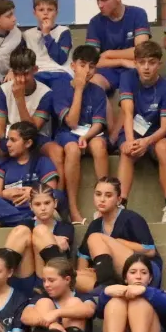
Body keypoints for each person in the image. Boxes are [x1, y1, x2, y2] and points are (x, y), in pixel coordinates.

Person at [115, 39, 166, 220]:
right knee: (127, 151)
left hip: (157, 133)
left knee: (163, 148)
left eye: (151, 63)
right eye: (142, 62)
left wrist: (147, 142)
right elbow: (127, 112)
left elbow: (165, 127)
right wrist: (130, 141)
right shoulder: (127, 78)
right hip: (133, 131)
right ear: (135, 63)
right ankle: (120, 205)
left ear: (159, 64)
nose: (146, 67)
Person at [53, 45, 111, 223]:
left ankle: (105, 205)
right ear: (73, 66)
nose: (86, 70)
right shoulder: (60, 89)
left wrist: (86, 137)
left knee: (99, 146)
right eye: (82, 65)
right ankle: (73, 209)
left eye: (91, 66)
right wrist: (78, 89)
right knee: (72, 149)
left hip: (89, 133)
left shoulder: (98, 91)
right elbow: (71, 122)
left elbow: (98, 124)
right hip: (68, 133)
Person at [0, 121, 56, 230]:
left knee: (58, 196)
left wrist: (33, 193)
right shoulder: (2, 163)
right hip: (8, 208)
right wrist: (4, 194)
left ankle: (11, 221)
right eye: (8, 139)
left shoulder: (42, 162)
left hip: (33, 208)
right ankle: (27, 222)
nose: (8, 144)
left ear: (28, 143)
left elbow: (52, 191)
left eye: (13, 140)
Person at [79, 175, 156, 291]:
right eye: (98, 194)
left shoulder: (132, 218)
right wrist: (83, 271)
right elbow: (83, 256)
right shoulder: (95, 225)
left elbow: (150, 250)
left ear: (119, 200)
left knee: (95, 237)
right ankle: (107, 290)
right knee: (73, 278)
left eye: (108, 195)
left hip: (141, 271)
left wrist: (115, 242)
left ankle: (106, 284)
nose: (102, 199)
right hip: (115, 274)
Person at [0, 49, 58, 165]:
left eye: (25, 74)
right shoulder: (4, 90)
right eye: (16, 74)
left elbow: (31, 131)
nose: (21, 79)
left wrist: (20, 99)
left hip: (37, 138)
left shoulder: (46, 94)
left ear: (35, 69)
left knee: (56, 151)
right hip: (11, 137)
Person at [84, 0, 151, 82]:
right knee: (93, 82)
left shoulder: (138, 14)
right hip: (108, 69)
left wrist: (108, 54)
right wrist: (121, 61)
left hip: (134, 68)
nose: (100, 5)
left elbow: (141, 52)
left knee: (132, 79)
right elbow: (92, 61)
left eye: (104, 0)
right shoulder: (94, 22)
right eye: (97, 0)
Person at [21, 255, 97, 332]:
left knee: (74, 302)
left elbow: (89, 310)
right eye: (44, 280)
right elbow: (25, 316)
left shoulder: (83, 297)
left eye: (51, 280)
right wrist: (50, 324)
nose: (46, 285)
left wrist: (57, 313)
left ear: (67, 279)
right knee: (44, 302)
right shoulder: (41, 297)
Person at [26, 0, 74, 94]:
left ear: (56, 13)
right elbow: (23, 60)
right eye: (41, 10)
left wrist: (46, 34)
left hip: (60, 72)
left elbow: (60, 59)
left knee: (60, 96)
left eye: (50, 9)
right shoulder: (27, 35)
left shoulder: (64, 31)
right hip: (37, 74)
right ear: (34, 13)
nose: (45, 13)